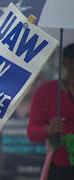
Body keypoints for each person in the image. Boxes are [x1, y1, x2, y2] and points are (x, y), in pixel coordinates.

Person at [27, 43, 74, 180]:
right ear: (64, 63)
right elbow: (32, 132)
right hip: (59, 166)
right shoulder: (47, 91)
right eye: (71, 63)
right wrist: (48, 130)